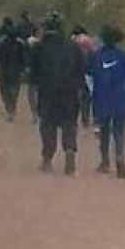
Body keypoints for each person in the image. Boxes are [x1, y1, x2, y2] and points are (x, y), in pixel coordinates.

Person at [32, 13, 87, 175]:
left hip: (47, 93)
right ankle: (70, 152)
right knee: (69, 124)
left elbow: (33, 72)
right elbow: (81, 70)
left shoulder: (39, 47)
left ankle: (47, 158)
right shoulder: (73, 47)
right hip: (69, 93)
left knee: (48, 125)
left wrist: (36, 85)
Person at [89, 25, 125, 178]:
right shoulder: (124, 56)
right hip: (121, 97)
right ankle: (120, 161)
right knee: (119, 131)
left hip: (102, 97)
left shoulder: (96, 56)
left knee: (104, 131)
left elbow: (90, 74)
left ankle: (105, 161)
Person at [0, 19, 29, 123]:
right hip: (16, 71)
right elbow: (25, 58)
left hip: (5, 71)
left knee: (6, 92)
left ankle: (10, 110)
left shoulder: (2, 42)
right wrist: (24, 69)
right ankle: (11, 110)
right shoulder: (21, 44)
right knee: (14, 91)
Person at [71, 25, 98, 129]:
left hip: (78, 72)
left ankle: (84, 118)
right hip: (90, 71)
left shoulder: (74, 41)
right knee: (91, 96)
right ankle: (93, 119)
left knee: (82, 96)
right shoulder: (90, 41)